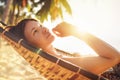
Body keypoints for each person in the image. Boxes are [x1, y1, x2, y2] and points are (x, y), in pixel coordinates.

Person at [8, 18, 120, 75]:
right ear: (30, 46)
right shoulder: (60, 66)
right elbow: (114, 57)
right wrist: (76, 32)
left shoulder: (63, 57)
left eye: (40, 25)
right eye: (35, 31)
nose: (44, 29)